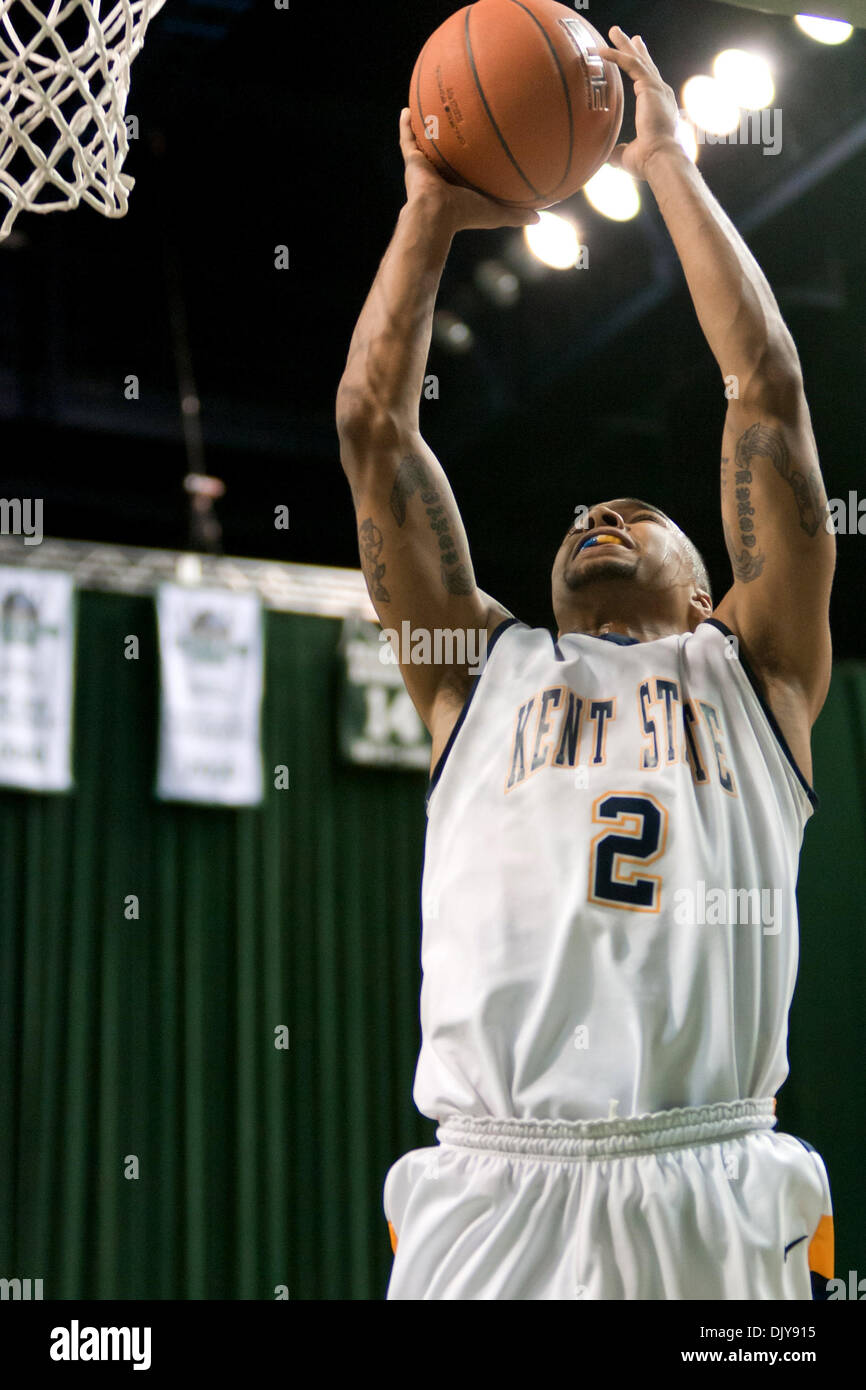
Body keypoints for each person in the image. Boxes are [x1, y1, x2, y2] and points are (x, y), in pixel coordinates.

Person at [335, 27, 836, 1300]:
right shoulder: (470, 674)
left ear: (705, 584)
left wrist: (666, 163)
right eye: (575, 520)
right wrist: (429, 218)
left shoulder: (759, 673)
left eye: (634, 513)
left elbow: (763, 390)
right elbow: (371, 427)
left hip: (706, 1179)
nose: (595, 519)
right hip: (492, 1189)